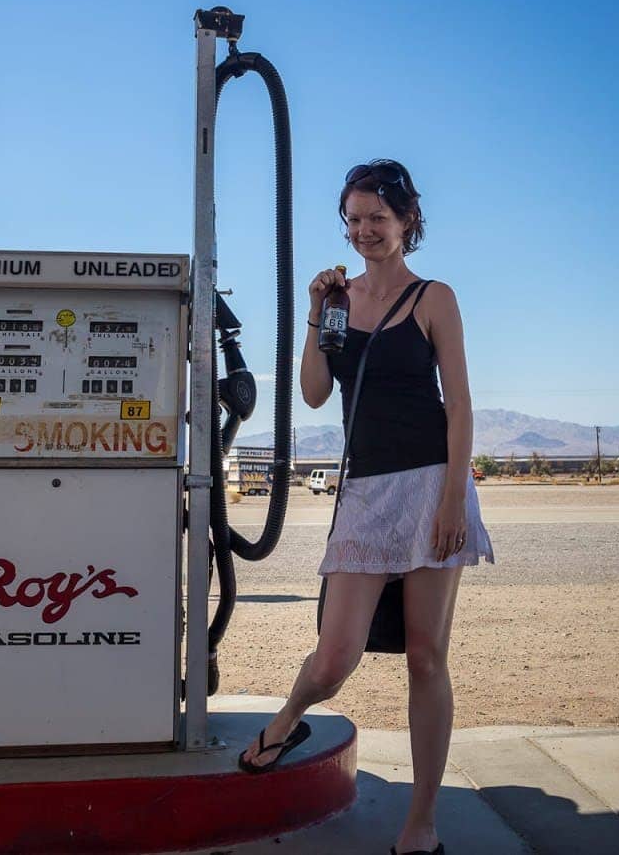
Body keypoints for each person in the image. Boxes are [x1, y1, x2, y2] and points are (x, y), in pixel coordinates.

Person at [238, 158, 494, 855]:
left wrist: (452, 501)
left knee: (425, 658)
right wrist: (317, 314)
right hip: (365, 493)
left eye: (377, 218)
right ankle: (291, 716)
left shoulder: (435, 298)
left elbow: (461, 404)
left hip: (432, 484)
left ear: (408, 221)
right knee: (334, 654)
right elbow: (316, 393)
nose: (364, 232)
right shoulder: (339, 300)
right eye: (353, 220)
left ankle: (422, 823)